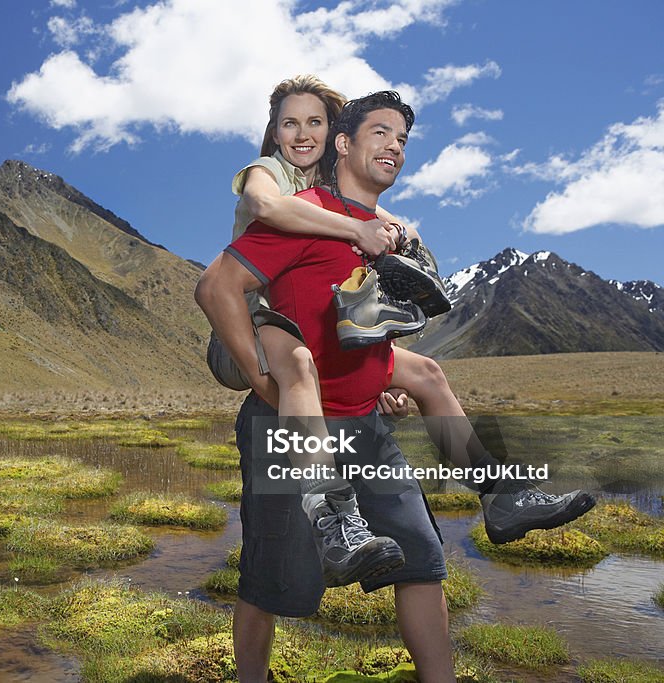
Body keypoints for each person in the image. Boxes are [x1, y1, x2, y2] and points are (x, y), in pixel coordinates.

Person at [208, 75, 594, 551]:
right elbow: (263, 210)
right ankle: (333, 519)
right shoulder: (269, 172)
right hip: (246, 327)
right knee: (299, 368)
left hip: (300, 330)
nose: (303, 134)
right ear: (274, 132)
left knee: (427, 373)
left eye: (315, 122)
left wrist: (391, 231)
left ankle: (500, 497)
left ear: (334, 137)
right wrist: (360, 228)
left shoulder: (329, 188)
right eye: (290, 123)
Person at [197, 91, 456, 681]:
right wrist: (261, 380)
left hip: (362, 420)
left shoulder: (377, 228)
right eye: (379, 134)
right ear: (347, 144)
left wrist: (385, 375)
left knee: (421, 561)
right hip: (279, 401)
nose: (392, 148)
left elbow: (353, 320)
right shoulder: (287, 201)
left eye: (401, 140)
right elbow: (219, 284)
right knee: (271, 579)